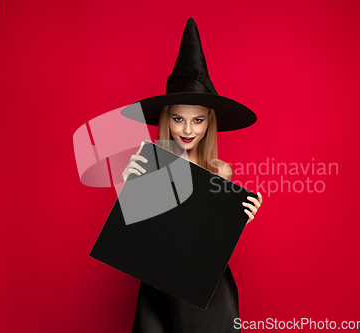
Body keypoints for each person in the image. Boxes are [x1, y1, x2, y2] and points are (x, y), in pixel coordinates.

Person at [119, 18, 262, 333]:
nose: (187, 130)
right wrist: (128, 192)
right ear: (166, 119)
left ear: (209, 122)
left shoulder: (219, 171)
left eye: (197, 120)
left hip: (207, 296)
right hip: (157, 291)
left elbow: (209, 246)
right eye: (178, 119)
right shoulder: (150, 167)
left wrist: (238, 219)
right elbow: (134, 238)